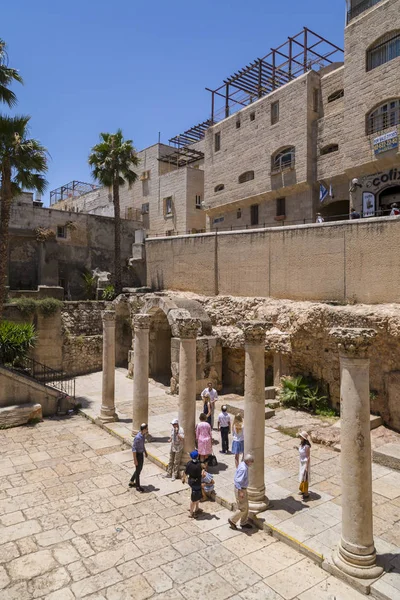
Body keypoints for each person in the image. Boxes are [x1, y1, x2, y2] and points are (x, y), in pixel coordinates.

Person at [228, 454, 254, 530]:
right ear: (248, 461)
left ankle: (243, 522)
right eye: (252, 461)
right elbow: (238, 481)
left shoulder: (243, 464)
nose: (252, 463)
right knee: (243, 508)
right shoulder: (243, 469)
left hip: (243, 489)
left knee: (246, 506)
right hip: (241, 489)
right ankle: (232, 520)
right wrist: (241, 492)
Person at [129, 423, 148, 492]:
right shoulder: (137, 438)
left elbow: (142, 445)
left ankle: (131, 481)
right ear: (143, 429)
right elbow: (134, 449)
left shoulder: (143, 436)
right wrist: (135, 460)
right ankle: (138, 486)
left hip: (141, 454)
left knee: (139, 469)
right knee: (138, 471)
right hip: (137, 455)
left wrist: (145, 452)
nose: (147, 430)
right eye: (146, 429)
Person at [184, 450, 203, 518]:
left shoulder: (189, 463)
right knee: (194, 498)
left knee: (196, 495)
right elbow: (202, 472)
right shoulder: (199, 465)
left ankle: (197, 508)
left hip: (191, 481)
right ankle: (191, 513)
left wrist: (183, 479)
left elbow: (185, 473)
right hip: (197, 482)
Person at [297, 431, 311, 500]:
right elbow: (301, 452)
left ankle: (306, 493)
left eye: (300, 436)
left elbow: (308, 456)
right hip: (301, 463)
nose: (299, 437)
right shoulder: (302, 444)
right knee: (302, 477)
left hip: (305, 463)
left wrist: (306, 467)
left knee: (305, 477)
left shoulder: (307, 446)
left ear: (303, 438)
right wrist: (297, 448)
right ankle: (302, 490)